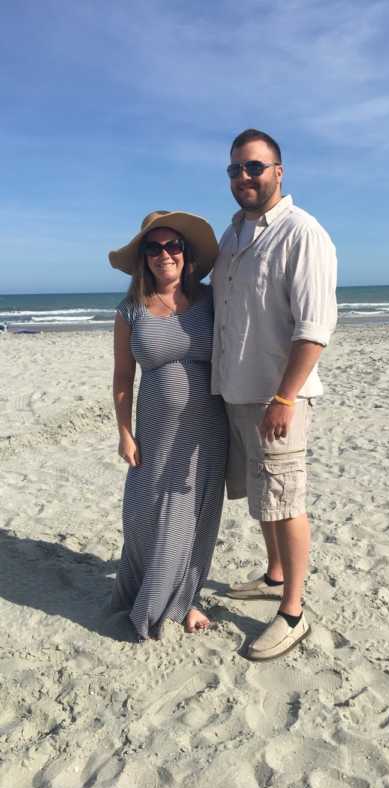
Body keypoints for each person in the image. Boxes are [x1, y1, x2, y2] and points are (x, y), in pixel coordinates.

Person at [211, 129, 337, 660]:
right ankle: (274, 575)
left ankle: (292, 612)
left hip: (277, 397)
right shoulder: (233, 233)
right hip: (235, 393)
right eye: (236, 169)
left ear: (278, 171)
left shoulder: (301, 233)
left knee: (287, 502)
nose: (244, 177)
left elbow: (314, 327)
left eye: (254, 167)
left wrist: (285, 399)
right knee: (263, 499)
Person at [108, 210, 228, 640]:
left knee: (196, 517)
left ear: (185, 253)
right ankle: (147, 585)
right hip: (155, 431)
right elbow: (124, 378)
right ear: (144, 257)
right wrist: (125, 432)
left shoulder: (212, 300)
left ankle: (186, 600)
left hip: (208, 431)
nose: (164, 254)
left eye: (172, 245)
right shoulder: (130, 312)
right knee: (144, 514)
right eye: (154, 247)